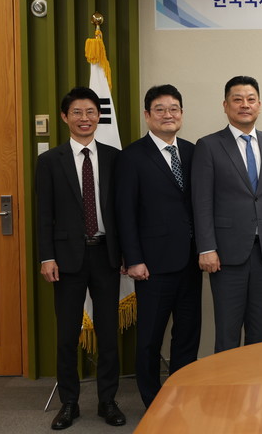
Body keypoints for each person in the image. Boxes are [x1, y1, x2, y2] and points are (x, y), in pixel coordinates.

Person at [36, 87, 126, 429]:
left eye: (90, 112)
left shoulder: (115, 158)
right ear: (65, 117)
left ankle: (107, 401)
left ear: (98, 116)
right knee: (66, 335)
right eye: (77, 112)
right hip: (66, 259)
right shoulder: (50, 161)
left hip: (106, 255)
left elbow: (123, 212)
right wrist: (47, 257)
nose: (84, 118)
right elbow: (44, 215)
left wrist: (126, 253)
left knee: (108, 333)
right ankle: (69, 403)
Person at [115, 85, 201, 408]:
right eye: (160, 109)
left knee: (187, 334)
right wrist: (133, 258)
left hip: (191, 260)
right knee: (150, 338)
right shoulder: (132, 156)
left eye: (174, 108)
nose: (168, 115)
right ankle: (152, 401)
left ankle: (181, 394)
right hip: (151, 265)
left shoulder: (193, 152)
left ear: (182, 114)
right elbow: (125, 212)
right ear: (147, 115)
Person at [191, 75, 262, 351]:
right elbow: (201, 201)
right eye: (237, 99)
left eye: (250, 99)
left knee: (261, 328)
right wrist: (206, 248)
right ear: (225, 105)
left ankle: (258, 378)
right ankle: (227, 381)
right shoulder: (209, 145)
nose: (244, 105)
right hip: (225, 253)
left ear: (259, 105)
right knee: (228, 329)